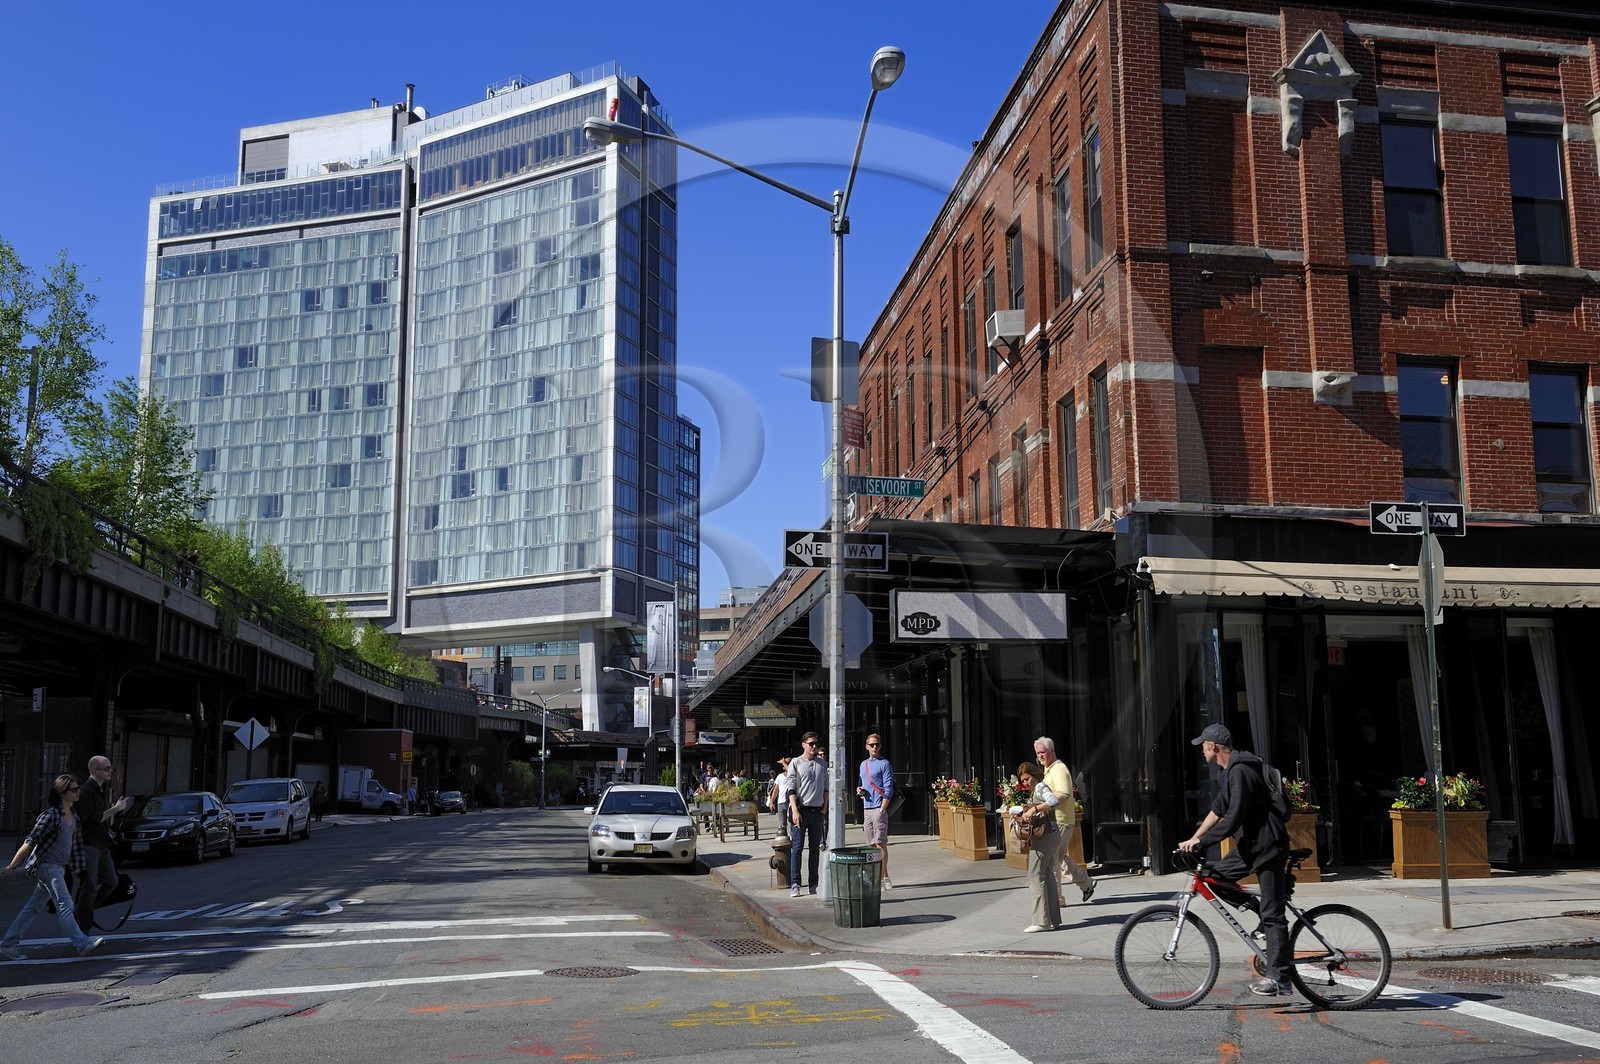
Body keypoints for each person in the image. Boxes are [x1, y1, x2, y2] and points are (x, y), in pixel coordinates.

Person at [1178, 723, 1291, 996]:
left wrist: (1204, 842)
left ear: (1212, 746)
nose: (1201, 751)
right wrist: (1193, 838)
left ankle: (1280, 978)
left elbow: (1234, 816)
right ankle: (1257, 908)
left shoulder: (1241, 771)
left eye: (1202, 745)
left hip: (1268, 845)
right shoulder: (1227, 773)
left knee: (1274, 916)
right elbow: (1217, 810)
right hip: (1250, 846)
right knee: (1214, 880)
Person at [0, 775, 105, 959]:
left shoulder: (73, 816)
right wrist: (12, 865)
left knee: (32, 907)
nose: (78, 792)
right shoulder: (51, 815)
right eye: (74, 790)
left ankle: (8, 944)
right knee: (65, 904)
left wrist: (76, 866)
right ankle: (81, 943)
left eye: (77, 788)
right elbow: (30, 841)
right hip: (48, 866)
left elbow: (73, 845)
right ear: (62, 794)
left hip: (58, 867)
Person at [73, 755, 131, 933]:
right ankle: (82, 930)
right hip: (89, 844)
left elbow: (102, 819)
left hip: (102, 844)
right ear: (93, 771)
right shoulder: (85, 791)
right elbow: (92, 819)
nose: (110, 771)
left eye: (110, 768)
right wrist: (116, 808)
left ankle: (82, 911)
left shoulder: (100, 790)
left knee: (111, 882)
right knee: (89, 887)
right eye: (106, 768)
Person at [1034, 736, 1095, 903]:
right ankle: (1086, 883)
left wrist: (1040, 807)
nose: (1040, 755)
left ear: (1052, 751)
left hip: (1060, 821)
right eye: (1038, 753)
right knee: (1059, 858)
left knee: (1053, 860)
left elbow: (1063, 794)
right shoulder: (1050, 769)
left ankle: (1057, 899)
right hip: (1058, 821)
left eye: (1043, 752)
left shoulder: (1059, 769)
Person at [1012, 761, 1064, 933]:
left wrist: (1033, 810)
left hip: (1045, 837)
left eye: (1028, 778)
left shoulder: (1041, 787)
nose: (1026, 782)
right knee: (1047, 874)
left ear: (1034, 774)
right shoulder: (1037, 789)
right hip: (1052, 834)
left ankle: (1041, 921)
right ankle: (1053, 920)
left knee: (1035, 875)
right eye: (1023, 781)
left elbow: (1053, 801)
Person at [786, 732, 828, 898]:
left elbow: (826, 787)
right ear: (803, 744)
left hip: (817, 811)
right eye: (811, 743)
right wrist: (795, 809)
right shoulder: (796, 763)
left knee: (815, 850)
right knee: (797, 848)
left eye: (816, 743)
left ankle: (813, 883)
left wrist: (824, 809)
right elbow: (791, 787)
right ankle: (795, 883)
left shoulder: (822, 764)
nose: (814, 746)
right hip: (801, 810)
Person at [857, 732, 894, 889]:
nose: (874, 747)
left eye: (877, 744)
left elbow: (888, 787)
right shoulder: (863, 764)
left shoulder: (884, 763)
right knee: (871, 844)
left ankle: (884, 876)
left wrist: (882, 808)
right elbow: (861, 783)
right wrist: (860, 791)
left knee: (880, 843)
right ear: (867, 747)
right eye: (871, 745)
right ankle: (876, 875)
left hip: (878, 808)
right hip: (867, 807)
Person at [769, 757, 793, 839]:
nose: (785, 765)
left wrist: (784, 762)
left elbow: (791, 772)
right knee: (782, 824)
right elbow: (776, 789)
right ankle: (784, 839)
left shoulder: (794, 775)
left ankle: (793, 839)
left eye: (788, 763)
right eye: (785, 763)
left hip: (791, 802)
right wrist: (772, 801)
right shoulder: (780, 776)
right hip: (781, 802)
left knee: (792, 823)